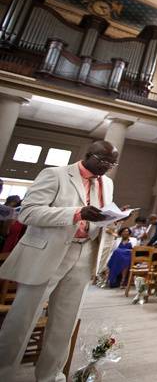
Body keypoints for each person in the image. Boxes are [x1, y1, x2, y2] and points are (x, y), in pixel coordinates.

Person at [0, 140, 118, 380]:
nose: (107, 167)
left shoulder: (107, 183)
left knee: (65, 322)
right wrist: (76, 213)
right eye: (104, 161)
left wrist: (108, 220)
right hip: (48, 252)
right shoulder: (56, 175)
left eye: (112, 163)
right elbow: (28, 212)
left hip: (84, 253)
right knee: (23, 319)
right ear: (89, 155)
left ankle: (50, 375)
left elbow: (97, 217)